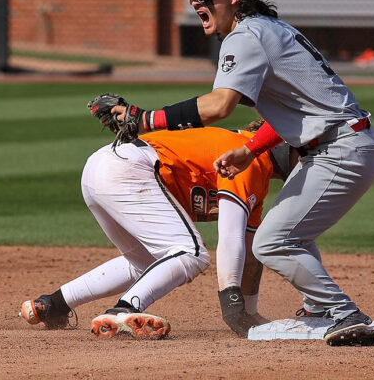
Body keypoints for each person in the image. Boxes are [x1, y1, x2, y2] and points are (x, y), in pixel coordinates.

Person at [110, 0, 374, 346]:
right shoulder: (269, 28)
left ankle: (346, 313)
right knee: (292, 232)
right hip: (344, 143)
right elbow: (299, 108)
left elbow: (219, 105)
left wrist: (146, 118)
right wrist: (250, 149)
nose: (196, 2)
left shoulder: (245, 36)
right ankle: (320, 309)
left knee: (272, 241)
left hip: (340, 148)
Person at [20, 124, 295, 338]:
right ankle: (124, 310)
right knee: (192, 253)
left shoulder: (255, 177)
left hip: (103, 168)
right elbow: (230, 236)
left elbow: (248, 253)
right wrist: (232, 302)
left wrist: (250, 312)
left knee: (148, 264)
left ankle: (54, 304)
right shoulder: (249, 157)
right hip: (130, 168)